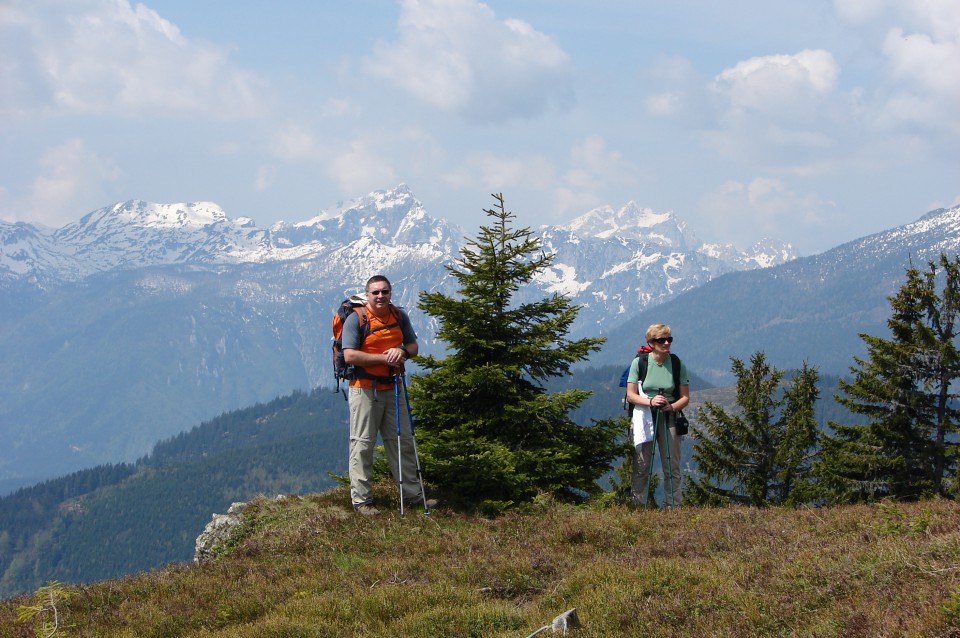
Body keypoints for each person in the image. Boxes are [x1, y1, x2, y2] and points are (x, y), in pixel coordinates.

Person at [341, 275, 430, 515]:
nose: (380, 296)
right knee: (362, 445)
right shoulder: (356, 319)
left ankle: (413, 496)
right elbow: (349, 355)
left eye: (385, 292)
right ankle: (362, 501)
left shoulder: (399, 316)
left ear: (390, 293)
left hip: (393, 386)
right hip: (364, 388)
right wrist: (385, 358)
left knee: (402, 442)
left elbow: (413, 348)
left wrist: (400, 351)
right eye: (375, 292)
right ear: (367, 295)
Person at [625, 323, 690, 507]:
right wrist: (651, 402)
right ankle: (638, 506)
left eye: (669, 339)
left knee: (672, 466)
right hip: (645, 417)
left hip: (669, 416)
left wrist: (672, 406)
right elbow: (631, 395)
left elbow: (685, 397)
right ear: (651, 343)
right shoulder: (640, 363)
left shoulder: (677, 364)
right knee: (642, 464)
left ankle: (674, 506)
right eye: (662, 340)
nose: (667, 343)